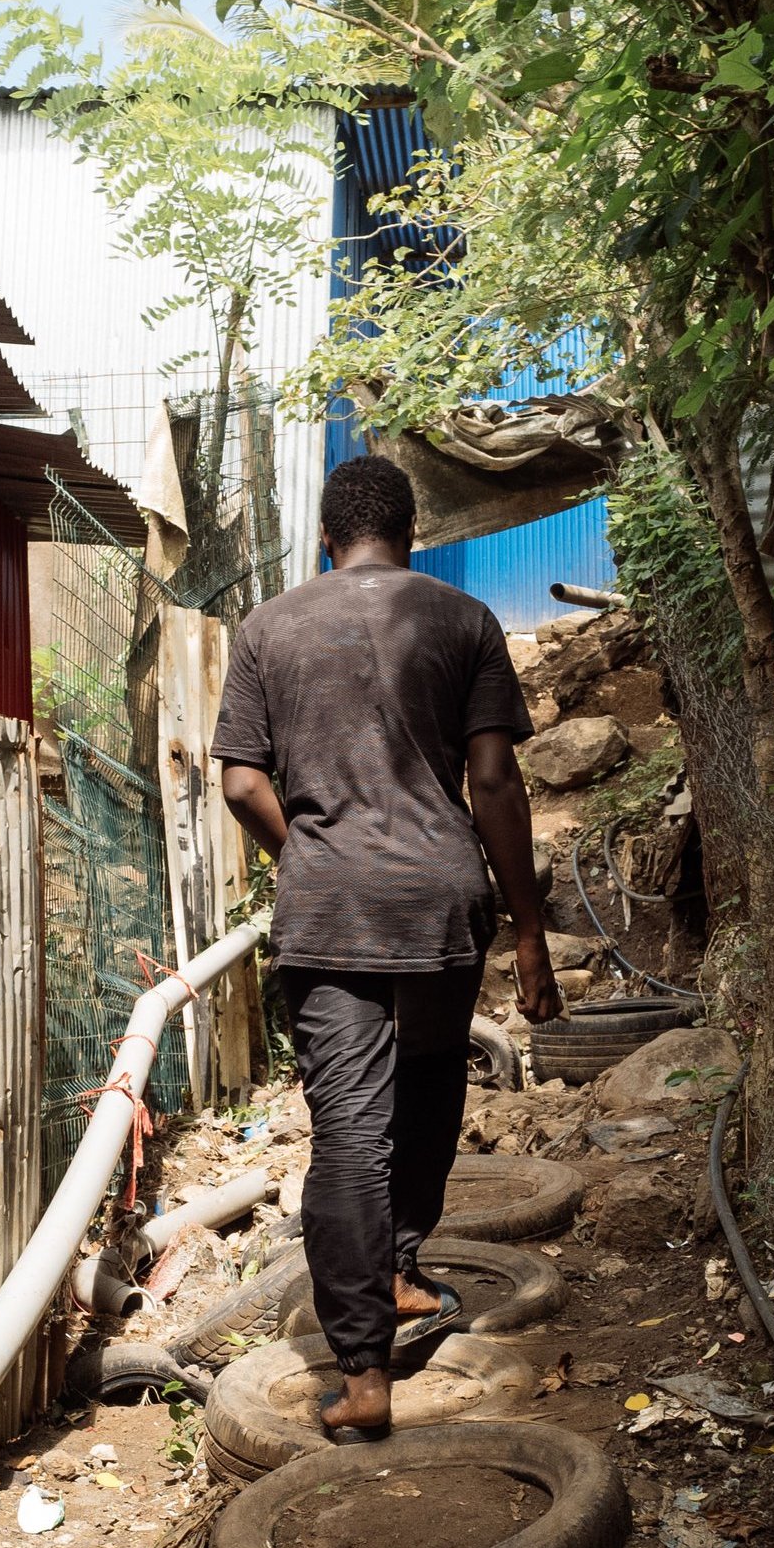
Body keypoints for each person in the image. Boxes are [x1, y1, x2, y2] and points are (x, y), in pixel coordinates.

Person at [213, 453, 563, 1445]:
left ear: (327, 537)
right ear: (410, 535)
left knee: (348, 1128)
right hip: (437, 901)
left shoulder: (267, 627)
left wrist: (316, 855)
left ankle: (361, 1371)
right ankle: (401, 1265)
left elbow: (241, 784)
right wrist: (531, 929)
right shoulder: (462, 621)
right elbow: (493, 780)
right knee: (428, 1089)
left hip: (329, 912)